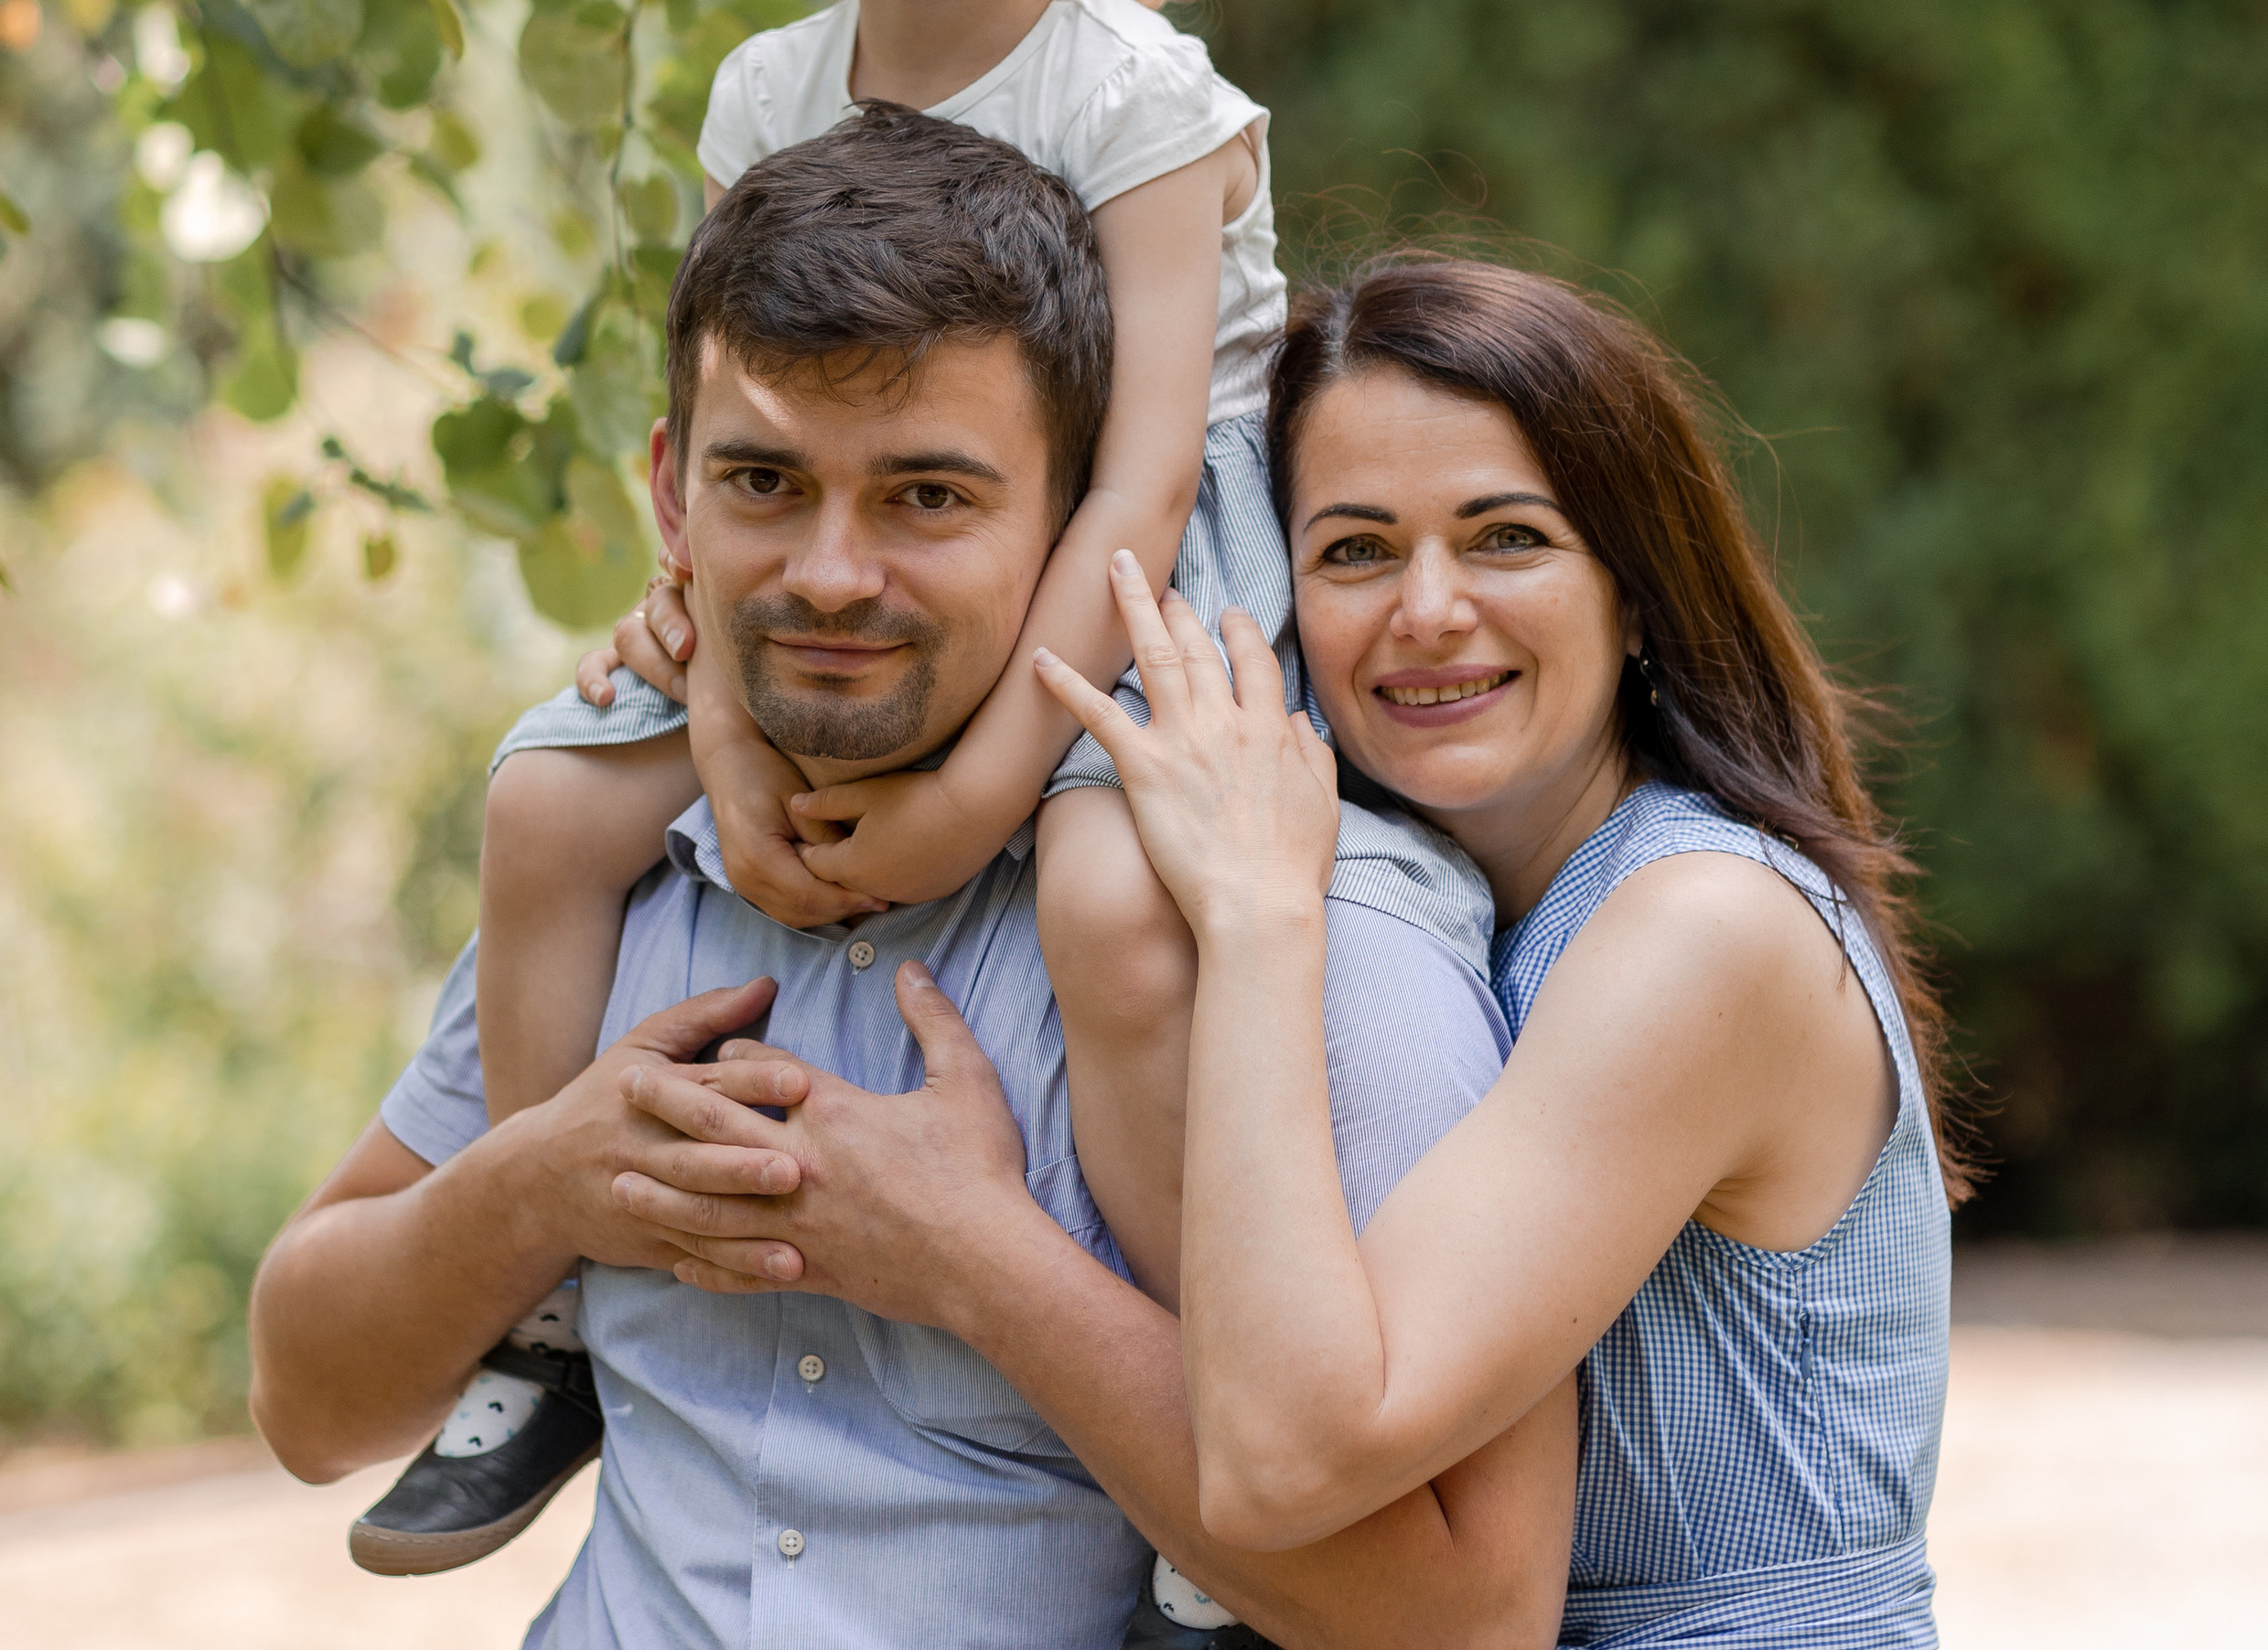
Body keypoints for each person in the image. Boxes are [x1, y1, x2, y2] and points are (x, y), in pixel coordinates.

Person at [352, 0, 1486, 1606]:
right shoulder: (764, 88)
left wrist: (976, 784)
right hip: (884, 562)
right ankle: (549, 1313)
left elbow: (1144, 466)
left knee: (1094, 889)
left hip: (1142, 574)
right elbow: (720, 433)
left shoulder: (1149, 99)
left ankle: (1208, 1418)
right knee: (539, 801)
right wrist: (710, 703)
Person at [250, 117, 1578, 1649]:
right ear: (673, 497)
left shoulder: (1284, 924)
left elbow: (1468, 1625)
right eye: (765, 482)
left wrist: (979, 1265)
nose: (828, 572)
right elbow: (307, 1402)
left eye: (926, 498)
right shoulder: (625, 863)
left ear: (1080, 520)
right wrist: (543, 1178)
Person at [632, 259, 1962, 1650]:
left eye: (1506, 538)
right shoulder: (1479, 916)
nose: (1429, 610)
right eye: (1355, 550)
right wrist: (710, 667)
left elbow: (1283, 1458)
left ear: (1636, 590)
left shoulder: (1705, 930)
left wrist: (1253, 922)